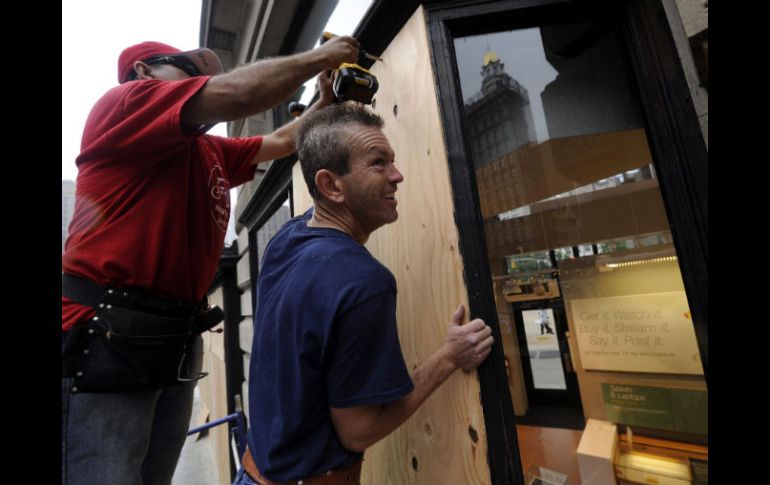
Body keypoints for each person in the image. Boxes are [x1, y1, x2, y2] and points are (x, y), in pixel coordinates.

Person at [61, 37, 360, 485]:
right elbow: (240, 95)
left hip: (171, 339)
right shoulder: (125, 105)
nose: (201, 80)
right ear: (144, 72)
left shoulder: (207, 151)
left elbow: (281, 139)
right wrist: (323, 55)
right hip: (105, 336)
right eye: (187, 68)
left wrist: (324, 99)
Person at [234, 104, 495, 485]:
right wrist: (449, 357)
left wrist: (324, 106)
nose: (397, 175)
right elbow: (358, 431)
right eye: (378, 163)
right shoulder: (364, 281)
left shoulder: (286, 240)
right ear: (331, 186)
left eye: (393, 160)